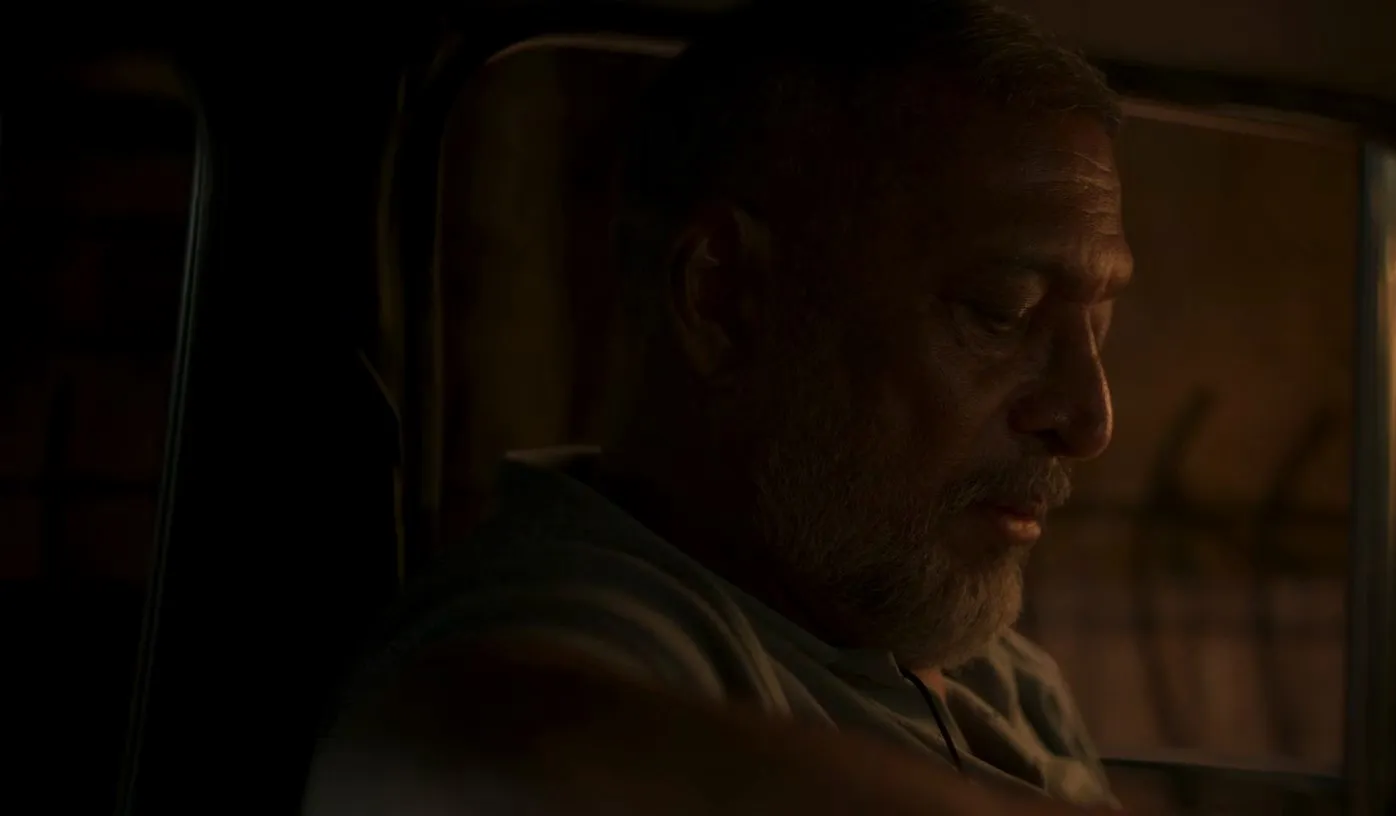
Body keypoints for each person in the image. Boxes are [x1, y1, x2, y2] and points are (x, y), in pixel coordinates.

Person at [304, 0, 1131, 813]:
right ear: (725, 299)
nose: (1089, 421)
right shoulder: (594, 627)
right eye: (1001, 310)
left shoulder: (998, 671)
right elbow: (445, 744)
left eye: (1098, 325)